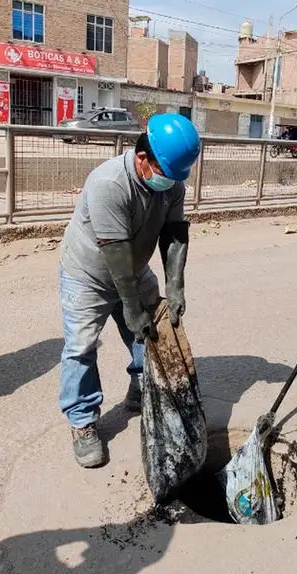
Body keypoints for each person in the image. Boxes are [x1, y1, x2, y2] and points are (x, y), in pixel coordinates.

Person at [58, 113, 201, 468]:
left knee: (151, 332)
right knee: (80, 347)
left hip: (134, 268)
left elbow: (174, 234)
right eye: (166, 174)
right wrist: (131, 309)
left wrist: (175, 285)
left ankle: (142, 385)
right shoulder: (109, 183)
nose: (171, 183)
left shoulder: (172, 182)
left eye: (176, 177)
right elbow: (115, 252)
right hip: (88, 273)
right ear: (142, 159)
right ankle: (82, 421)